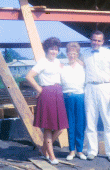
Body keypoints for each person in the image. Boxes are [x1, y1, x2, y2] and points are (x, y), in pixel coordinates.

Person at [26, 37, 69, 165]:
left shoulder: (58, 62)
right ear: (47, 50)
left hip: (58, 94)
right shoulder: (42, 62)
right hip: (47, 94)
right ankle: (51, 155)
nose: (54, 51)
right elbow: (29, 76)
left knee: (60, 128)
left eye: (56, 49)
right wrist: (39, 89)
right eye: (51, 49)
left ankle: (44, 149)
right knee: (49, 128)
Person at [83, 30, 110, 162]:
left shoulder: (108, 53)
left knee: (108, 121)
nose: (96, 42)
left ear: (103, 41)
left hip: (105, 88)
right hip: (89, 88)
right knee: (90, 121)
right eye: (94, 40)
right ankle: (92, 151)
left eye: (99, 40)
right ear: (90, 40)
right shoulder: (84, 54)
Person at [61, 42, 87, 161]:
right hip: (68, 96)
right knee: (70, 123)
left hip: (80, 96)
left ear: (77, 54)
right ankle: (71, 151)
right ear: (67, 54)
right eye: (70, 53)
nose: (72, 55)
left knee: (80, 123)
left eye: (74, 53)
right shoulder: (62, 67)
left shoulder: (83, 66)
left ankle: (80, 150)